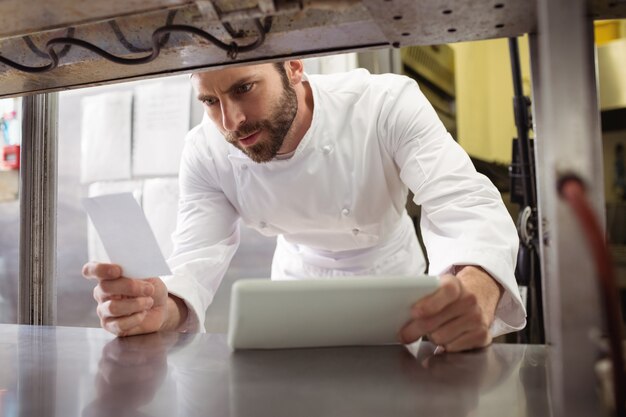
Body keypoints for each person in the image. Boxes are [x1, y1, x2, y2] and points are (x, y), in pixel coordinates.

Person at [82, 60, 526, 352]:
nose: (231, 121)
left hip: (392, 284)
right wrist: (164, 303)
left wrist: (479, 284)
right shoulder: (205, 150)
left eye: (244, 88)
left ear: (294, 68)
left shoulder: (383, 104)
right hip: (296, 291)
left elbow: (461, 198)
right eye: (211, 101)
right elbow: (196, 256)